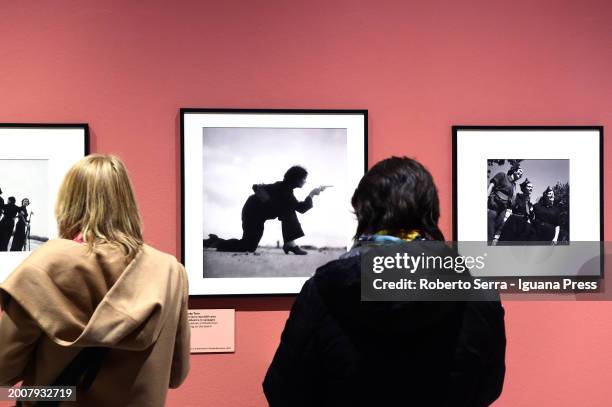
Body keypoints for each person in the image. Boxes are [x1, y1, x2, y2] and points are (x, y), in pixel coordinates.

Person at [263, 156, 506, 407]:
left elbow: (283, 391)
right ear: (431, 212)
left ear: (362, 211)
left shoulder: (324, 287)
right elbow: (488, 387)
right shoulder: (478, 289)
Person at [0, 154, 190, 406]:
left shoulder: (47, 265)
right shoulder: (169, 271)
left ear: (68, 202)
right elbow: (176, 374)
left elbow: (3, 370)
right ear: (127, 202)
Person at [204, 165, 327, 255]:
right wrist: (311, 194)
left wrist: (267, 200)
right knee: (247, 246)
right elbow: (301, 208)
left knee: (249, 245)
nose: (305, 181)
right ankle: (216, 242)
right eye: (304, 179)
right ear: (296, 178)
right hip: (252, 213)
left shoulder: (285, 188)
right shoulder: (284, 189)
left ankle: (290, 244)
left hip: (257, 214)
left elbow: (257, 187)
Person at [487, 164, 523, 244]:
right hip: (494, 205)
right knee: (489, 230)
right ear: (514, 170)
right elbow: (492, 185)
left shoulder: (514, 185)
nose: (521, 174)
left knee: (495, 231)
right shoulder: (502, 175)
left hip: (503, 209)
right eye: (520, 171)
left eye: (522, 174)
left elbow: (512, 200)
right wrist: (486, 197)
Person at [498, 178, 534, 243]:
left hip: (523, 225)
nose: (531, 188)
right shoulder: (517, 196)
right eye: (529, 186)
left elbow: (531, 217)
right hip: (513, 222)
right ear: (524, 187)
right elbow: (510, 205)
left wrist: (531, 212)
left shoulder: (530, 203)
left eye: (532, 187)